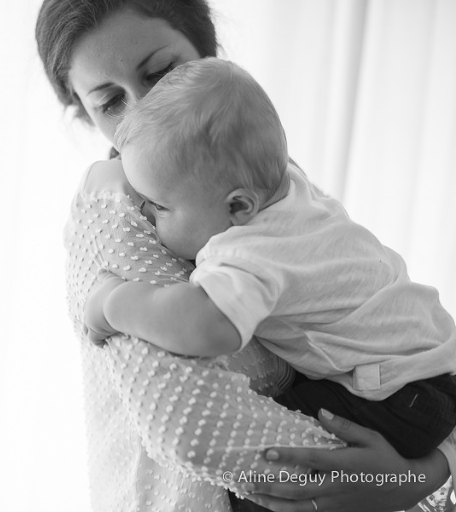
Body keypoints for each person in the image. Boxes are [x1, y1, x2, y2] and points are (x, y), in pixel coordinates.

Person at [35, 1, 456, 510]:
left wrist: (418, 476)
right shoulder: (116, 200)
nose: (145, 112)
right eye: (110, 102)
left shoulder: (270, 197)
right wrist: (398, 480)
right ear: (84, 111)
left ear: (208, 53)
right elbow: (191, 430)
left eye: (162, 73)